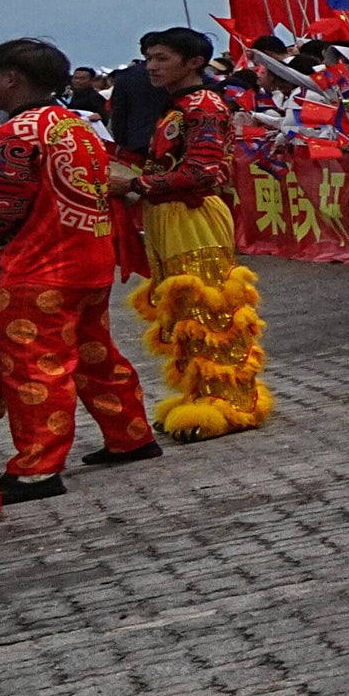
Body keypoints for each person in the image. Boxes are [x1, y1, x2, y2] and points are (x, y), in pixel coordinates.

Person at [0, 41, 154, 510]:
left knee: (35, 369)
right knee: (96, 354)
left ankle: (37, 469)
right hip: (90, 259)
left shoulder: (14, 135)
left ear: (12, 78)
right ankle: (131, 435)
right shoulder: (73, 125)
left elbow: (2, 210)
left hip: (39, 270)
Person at [118, 27, 261, 423]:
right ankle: (202, 394)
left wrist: (132, 184)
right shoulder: (178, 105)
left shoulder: (203, 105)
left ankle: (232, 403)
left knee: (210, 311)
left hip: (193, 214)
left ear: (194, 62)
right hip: (170, 214)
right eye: (149, 58)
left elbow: (202, 172)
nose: (152, 66)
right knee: (184, 314)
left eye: (162, 58)